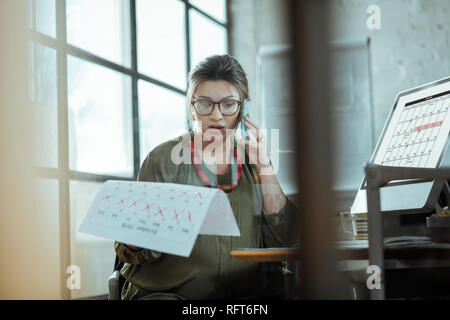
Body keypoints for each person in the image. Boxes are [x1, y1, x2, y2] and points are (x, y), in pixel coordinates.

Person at [114, 54, 299, 300]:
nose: (216, 115)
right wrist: (135, 240)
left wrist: (264, 165)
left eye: (228, 104)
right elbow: (133, 248)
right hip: (168, 294)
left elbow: (284, 238)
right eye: (204, 103)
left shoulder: (255, 162)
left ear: (243, 109)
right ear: (191, 107)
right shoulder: (163, 160)